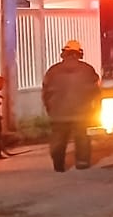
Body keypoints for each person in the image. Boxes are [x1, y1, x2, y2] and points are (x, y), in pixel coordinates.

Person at [41, 39, 101, 173]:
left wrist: (50, 109)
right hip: (82, 113)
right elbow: (96, 92)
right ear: (79, 53)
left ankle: (58, 164)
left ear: (64, 53)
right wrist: (95, 109)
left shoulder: (53, 71)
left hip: (58, 113)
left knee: (58, 138)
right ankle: (82, 162)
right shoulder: (88, 69)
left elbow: (45, 92)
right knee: (82, 137)